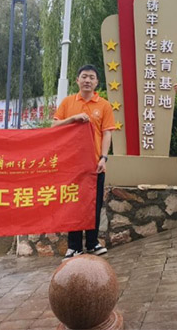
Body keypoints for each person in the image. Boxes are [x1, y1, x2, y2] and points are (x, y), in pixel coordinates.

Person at [52, 64, 115, 260]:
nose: (87, 80)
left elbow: (107, 133)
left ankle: (93, 243)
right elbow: (54, 126)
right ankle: (74, 246)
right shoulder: (68, 102)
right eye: (84, 76)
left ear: (97, 82)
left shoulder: (104, 105)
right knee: (73, 204)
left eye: (91, 77)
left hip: (94, 164)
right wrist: (72, 119)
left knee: (93, 204)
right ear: (77, 80)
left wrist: (104, 158)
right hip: (71, 164)